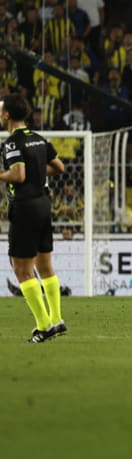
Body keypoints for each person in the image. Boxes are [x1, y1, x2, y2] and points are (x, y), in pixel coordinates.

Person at [0, 94, 67, 342]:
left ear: (7, 115)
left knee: (22, 270)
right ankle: (57, 320)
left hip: (25, 207)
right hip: (43, 203)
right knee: (45, 266)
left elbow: (17, 175)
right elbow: (59, 167)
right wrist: (37, 172)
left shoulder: (11, 143)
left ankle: (44, 325)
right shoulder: (38, 139)